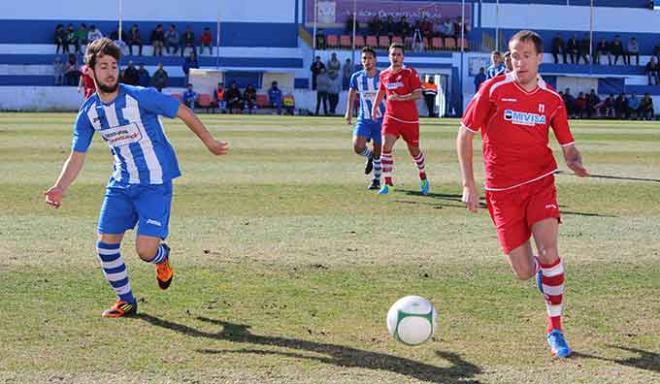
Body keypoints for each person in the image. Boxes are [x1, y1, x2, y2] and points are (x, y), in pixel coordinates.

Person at [44, 38, 229, 318]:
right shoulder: (89, 113)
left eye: (114, 66)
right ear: (91, 71)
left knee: (145, 251)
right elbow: (77, 155)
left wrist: (210, 142)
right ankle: (126, 301)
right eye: (103, 66)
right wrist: (60, 187)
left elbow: (182, 111)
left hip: (155, 185)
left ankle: (161, 257)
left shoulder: (139, 96)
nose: (110, 71)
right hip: (120, 185)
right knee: (105, 247)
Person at [457, 30, 588, 359]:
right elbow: (465, 134)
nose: (520, 61)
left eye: (527, 55)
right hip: (502, 193)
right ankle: (542, 275)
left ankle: (555, 327)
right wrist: (468, 184)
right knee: (524, 273)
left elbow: (568, 147)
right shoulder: (494, 89)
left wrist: (575, 162)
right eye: (515, 55)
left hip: (540, 183)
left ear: (539, 58)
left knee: (548, 250)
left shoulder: (552, 100)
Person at [372, 43, 429, 196]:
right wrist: (374, 107)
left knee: (414, 151)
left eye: (398, 54)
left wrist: (400, 98)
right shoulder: (384, 74)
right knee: (386, 147)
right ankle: (388, 183)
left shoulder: (410, 72)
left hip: (409, 120)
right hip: (391, 117)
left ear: (403, 57)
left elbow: (418, 94)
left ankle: (423, 177)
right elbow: (381, 91)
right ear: (389, 56)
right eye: (393, 54)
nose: (395, 57)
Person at [345, 47, 385, 190]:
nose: (366, 61)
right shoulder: (356, 77)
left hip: (381, 120)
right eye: (364, 59)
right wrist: (349, 112)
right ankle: (369, 156)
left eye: (369, 58)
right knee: (357, 146)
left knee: (378, 150)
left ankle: (376, 180)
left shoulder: (383, 76)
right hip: (364, 118)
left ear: (375, 60)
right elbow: (352, 93)